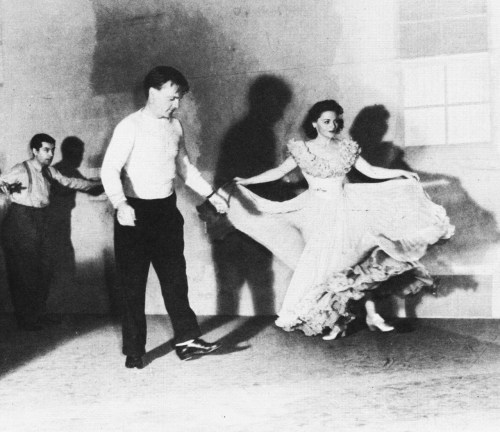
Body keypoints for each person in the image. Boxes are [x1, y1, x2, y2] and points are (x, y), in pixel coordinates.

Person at [223, 99, 454, 340]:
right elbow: (279, 172)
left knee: (353, 264)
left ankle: (361, 317)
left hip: (346, 209)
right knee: (327, 268)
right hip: (315, 212)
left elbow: (371, 172)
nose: (332, 125)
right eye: (326, 121)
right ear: (315, 123)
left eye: (336, 121)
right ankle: (341, 321)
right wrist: (249, 182)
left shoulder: (346, 147)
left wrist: (401, 173)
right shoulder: (303, 149)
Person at [101, 66, 228, 368]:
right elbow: (109, 169)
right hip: (134, 214)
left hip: (166, 212)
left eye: (179, 99)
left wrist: (211, 194)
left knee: (175, 280)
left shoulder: (175, 126)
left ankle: (187, 340)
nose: (177, 105)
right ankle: (134, 350)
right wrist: (120, 204)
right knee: (133, 286)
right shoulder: (129, 126)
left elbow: (184, 168)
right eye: (172, 98)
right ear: (153, 93)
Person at [0, 133, 102, 331]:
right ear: (35, 151)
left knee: (45, 268)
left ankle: (38, 314)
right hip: (20, 221)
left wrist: (97, 185)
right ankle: (27, 320)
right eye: (46, 150)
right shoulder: (20, 170)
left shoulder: (49, 172)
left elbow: (71, 182)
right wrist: (7, 197)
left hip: (41, 220)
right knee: (24, 272)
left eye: (52, 150)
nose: (50, 154)